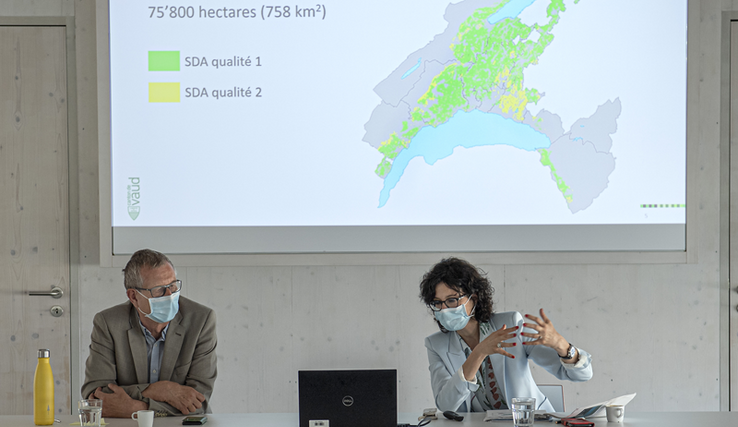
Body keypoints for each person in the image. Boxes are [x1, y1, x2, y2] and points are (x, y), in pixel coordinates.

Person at [419, 257, 592, 413]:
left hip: (528, 423)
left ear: (475, 298)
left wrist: (562, 346)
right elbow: (446, 405)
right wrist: (479, 353)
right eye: (437, 303)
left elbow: (582, 375)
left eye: (452, 300)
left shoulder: (510, 324)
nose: (444, 309)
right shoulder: (436, 345)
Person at [81, 249, 218, 417]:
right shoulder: (108, 323)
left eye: (173, 285)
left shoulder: (201, 320)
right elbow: (95, 396)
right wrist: (158, 390)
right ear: (134, 296)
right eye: (159, 290)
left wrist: (136, 409)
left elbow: (198, 403)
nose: (170, 295)